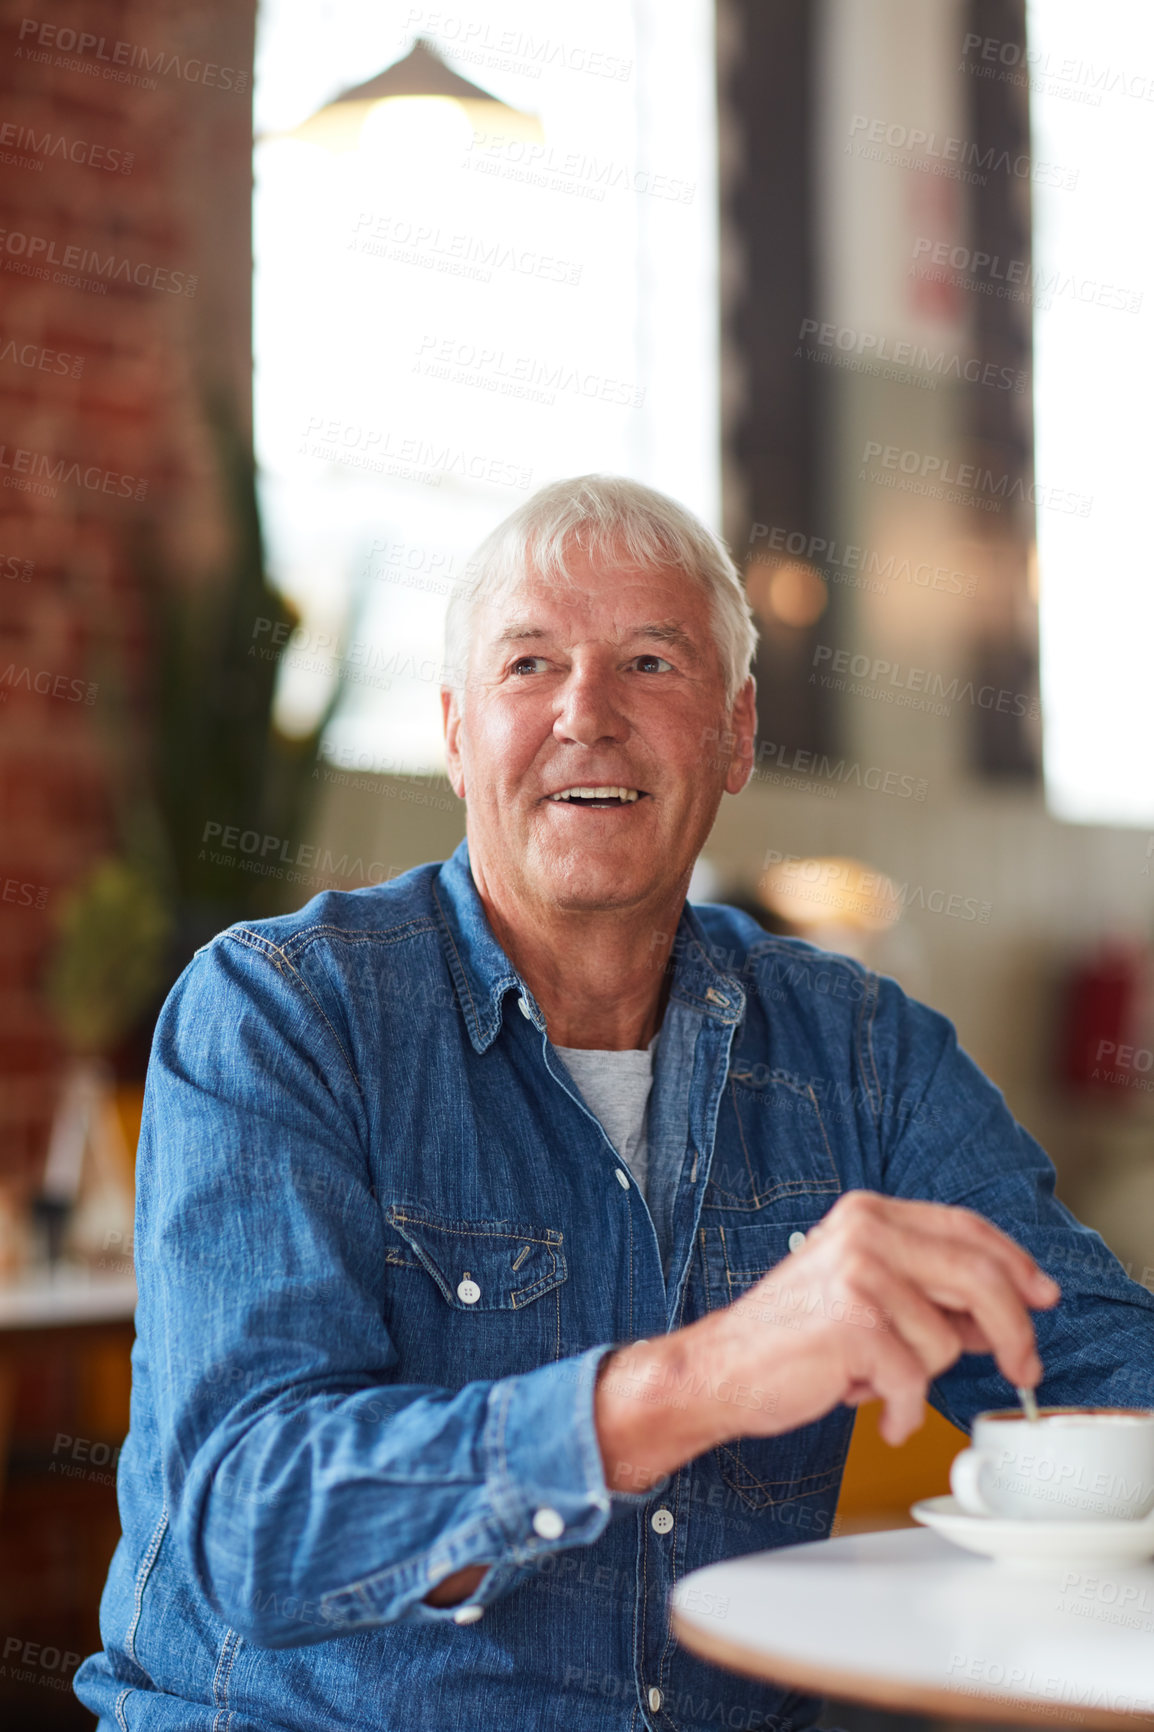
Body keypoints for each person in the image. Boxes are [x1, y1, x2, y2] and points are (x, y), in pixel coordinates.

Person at [76, 476, 1154, 1732]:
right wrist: (708, 1375)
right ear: (456, 729)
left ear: (737, 732)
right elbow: (255, 1527)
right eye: (529, 664)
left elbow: (1093, 1372)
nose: (585, 713)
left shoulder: (861, 1053)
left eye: (650, 661)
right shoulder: (278, 1014)